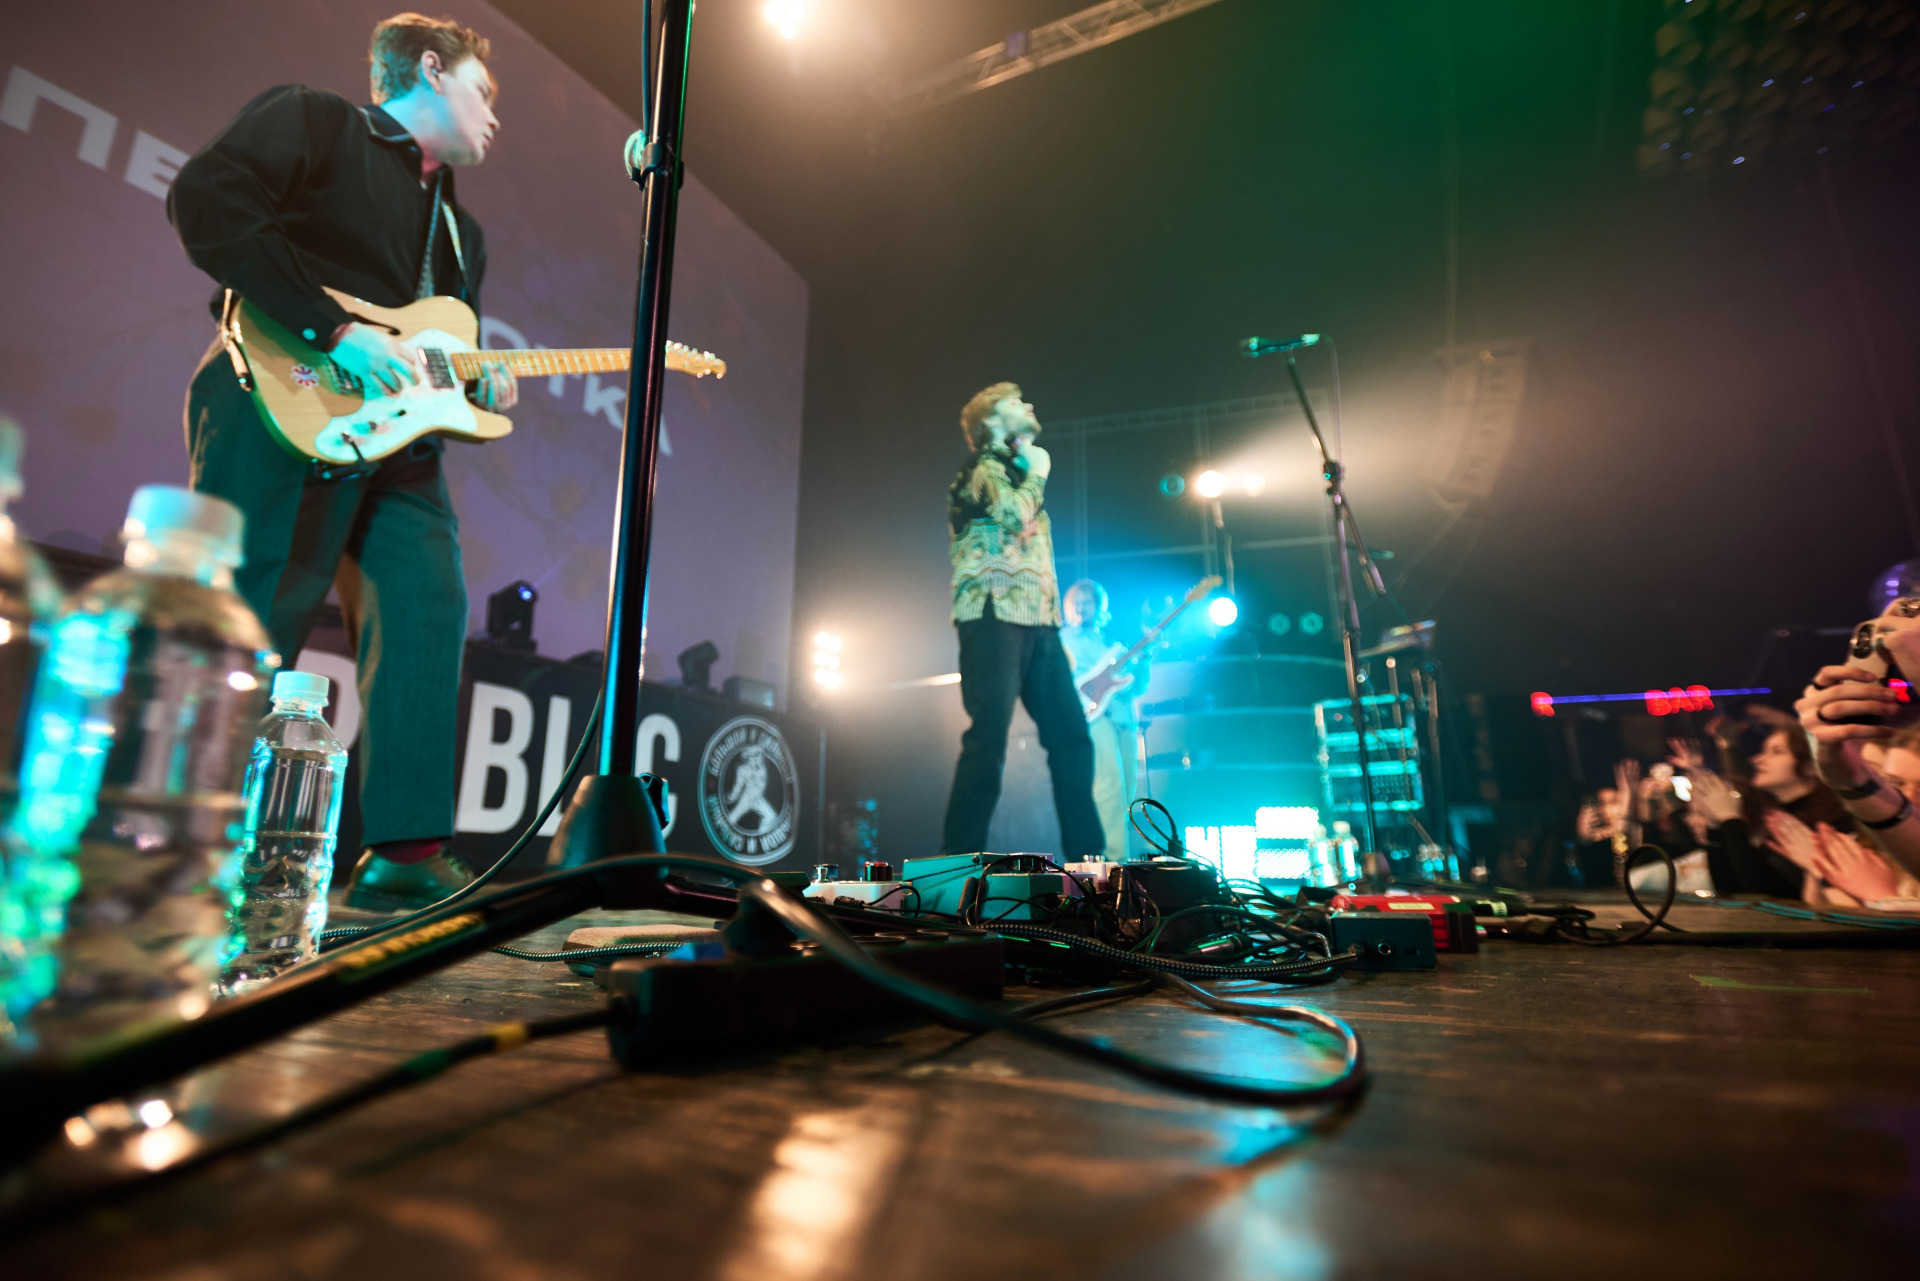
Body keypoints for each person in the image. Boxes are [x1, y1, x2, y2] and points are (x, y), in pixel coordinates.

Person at [167, 13, 517, 910]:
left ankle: (403, 855)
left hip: (396, 447)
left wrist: (481, 387)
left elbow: (428, 359)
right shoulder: (318, 120)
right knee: (255, 603)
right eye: (486, 91)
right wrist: (334, 328)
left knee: (427, 601)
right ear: (431, 71)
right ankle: (181, 847)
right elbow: (207, 201)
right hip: (275, 396)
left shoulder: (462, 236)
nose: (496, 117)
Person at [941, 383, 1103, 861]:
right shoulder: (982, 468)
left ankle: (1090, 860)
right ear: (990, 422)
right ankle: (955, 861)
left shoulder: (1018, 468)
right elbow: (1012, 514)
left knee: (1071, 736)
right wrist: (1040, 472)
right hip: (992, 615)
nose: (1030, 405)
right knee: (988, 737)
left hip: (1040, 622)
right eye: (1016, 403)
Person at [1060, 579, 1145, 861]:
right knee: (1109, 786)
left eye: (1087, 601)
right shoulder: (1064, 640)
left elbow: (1137, 686)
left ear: (1099, 607)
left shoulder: (1112, 645)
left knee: (1128, 793)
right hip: (1094, 719)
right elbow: (1062, 680)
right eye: (1076, 602)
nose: (1082, 607)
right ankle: (1114, 864)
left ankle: (1117, 859)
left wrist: (1145, 658)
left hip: (1124, 719)